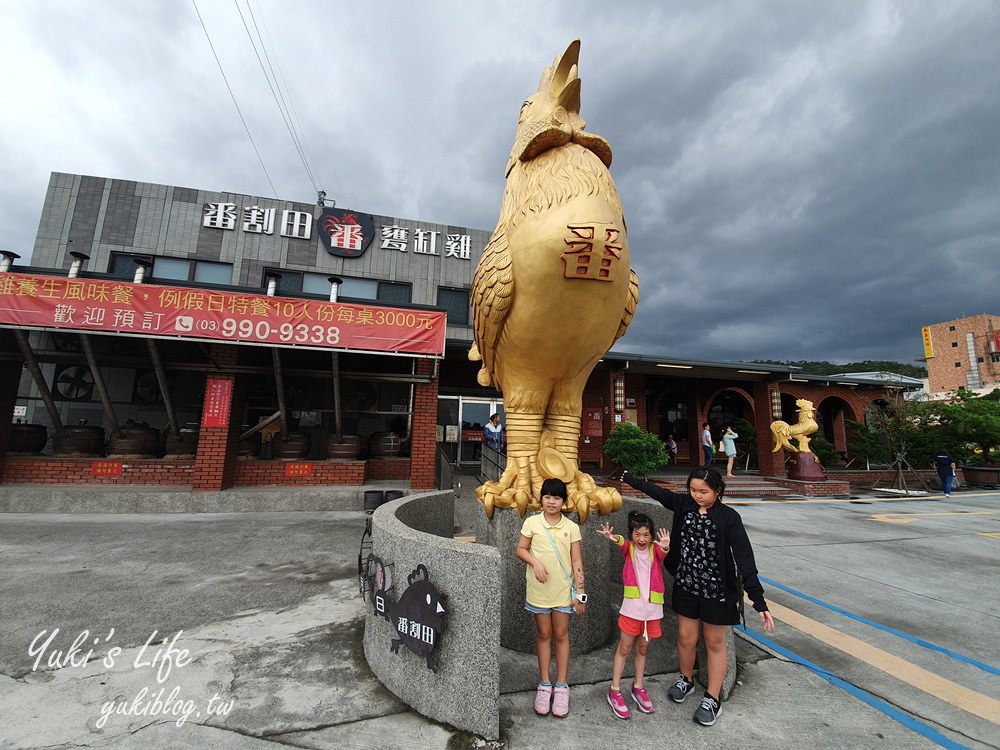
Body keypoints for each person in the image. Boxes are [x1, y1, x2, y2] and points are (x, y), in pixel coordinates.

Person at [618, 466, 775, 727]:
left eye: (703, 491)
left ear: (718, 491)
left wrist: (758, 600)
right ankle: (686, 679)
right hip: (687, 585)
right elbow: (657, 492)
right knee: (686, 637)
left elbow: (745, 559)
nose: (697, 495)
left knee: (714, 642)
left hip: (717, 591)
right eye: (693, 490)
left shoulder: (729, 517)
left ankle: (712, 697)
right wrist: (629, 478)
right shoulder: (684, 505)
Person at [516, 478, 586, 718]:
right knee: (544, 634)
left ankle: (562, 685)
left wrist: (580, 591)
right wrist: (535, 561)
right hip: (539, 591)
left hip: (562, 592)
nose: (551, 501)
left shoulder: (571, 527)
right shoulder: (532, 523)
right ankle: (544, 684)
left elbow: (577, 561)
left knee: (561, 635)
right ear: (541, 499)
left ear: (563, 501)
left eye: (556, 497)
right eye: (547, 497)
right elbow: (521, 549)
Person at [598, 511, 670, 719]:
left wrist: (665, 544)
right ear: (631, 535)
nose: (642, 539)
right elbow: (621, 542)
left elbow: (663, 552)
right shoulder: (629, 548)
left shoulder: (655, 550)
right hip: (632, 610)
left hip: (653, 611)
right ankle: (614, 689)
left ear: (652, 536)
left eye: (646, 535)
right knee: (624, 648)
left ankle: (638, 687)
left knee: (643, 649)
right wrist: (612, 537)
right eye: (637, 534)